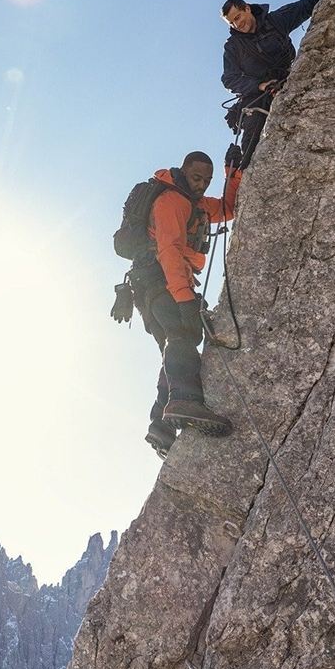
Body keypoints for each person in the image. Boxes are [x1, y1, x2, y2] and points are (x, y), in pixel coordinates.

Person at [130, 151, 243, 458]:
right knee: (182, 333)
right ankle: (184, 400)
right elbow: (168, 252)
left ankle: (161, 426)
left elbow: (228, 209)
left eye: (206, 180)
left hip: (156, 286)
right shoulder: (171, 202)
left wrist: (231, 174)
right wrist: (184, 300)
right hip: (159, 281)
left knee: (174, 343)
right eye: (197, 178)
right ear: (183, 171)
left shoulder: (196, 204)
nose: (202, 185)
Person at [221, 0, 335, 169]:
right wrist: (260, 86)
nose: (237, 25)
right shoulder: (233, 47)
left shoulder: (275, 21)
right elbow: (229, 78)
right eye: (232, 23)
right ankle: (246, 174)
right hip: (257, 96)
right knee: (253, 131)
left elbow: (306, 5)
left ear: (247, 8)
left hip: (290, 80)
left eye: (238, 17)